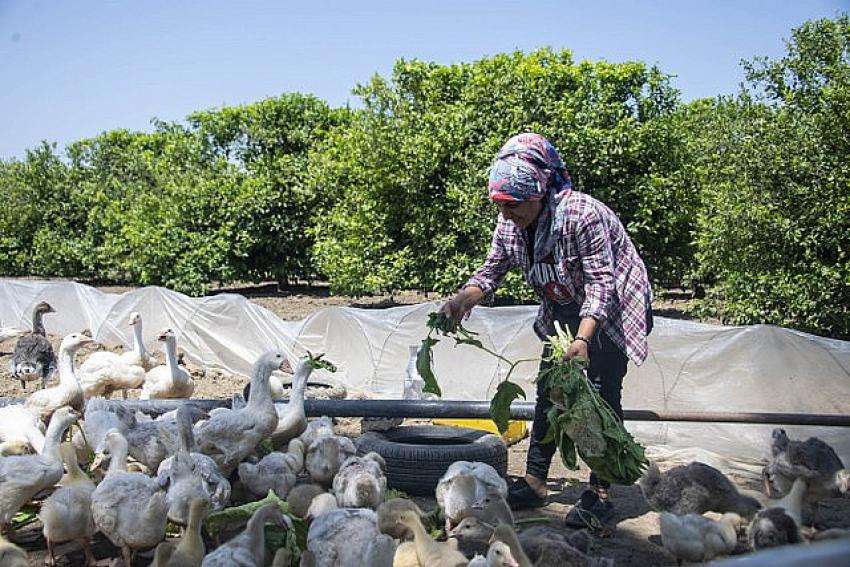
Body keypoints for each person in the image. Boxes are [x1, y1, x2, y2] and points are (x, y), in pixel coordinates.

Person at [441, 132, 653, 528]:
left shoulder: (581, 216)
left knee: (600, 400)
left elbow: (602, 285)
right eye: (500, 206)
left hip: (615, 307)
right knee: (550, 390)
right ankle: (536, 482)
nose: (506, 215)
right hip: (565, 306)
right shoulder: (509, 226)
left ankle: (601, 494)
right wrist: (461, 300)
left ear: (539, 192)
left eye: (514, 206)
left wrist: (583, 339)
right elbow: (491, 272)